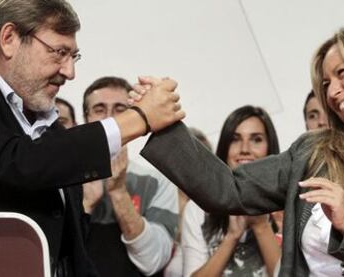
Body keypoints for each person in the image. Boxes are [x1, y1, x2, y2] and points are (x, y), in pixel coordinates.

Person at [140, 24, 344, 276]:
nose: (333, 92)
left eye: (342, 73)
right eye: (326, 83)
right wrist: (160, 122)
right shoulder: (312, 152)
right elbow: (229, 188)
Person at [0, 1, 183, 276]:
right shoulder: (44, 144)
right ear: (9, 39)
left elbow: (72, 254)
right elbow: (21, 162)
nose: (69, 72)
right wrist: (138, 119)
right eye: (59, 53)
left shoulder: (49, 129)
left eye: (74, 56)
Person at [82, 76, 178, 277]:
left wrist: (118, 192)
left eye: (119, 109)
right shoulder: (63, 179)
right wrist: (86, 205)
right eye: (99, 109)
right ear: (86, 118)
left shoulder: (157, 181)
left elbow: (153, 261)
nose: (109, 118)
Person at [182, 105, 281, 277]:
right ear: (224, 148)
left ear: (270, 147)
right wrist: (231, 237)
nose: (245, 148)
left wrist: (261, 226)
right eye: (235, 139)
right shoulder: (198, 209)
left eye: (256, 139)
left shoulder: (288, 207)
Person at [164, 127, 213, 277]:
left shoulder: (212, 209)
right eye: (186, 156)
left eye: (202, 157)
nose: (193, 165)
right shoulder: (162, 201)